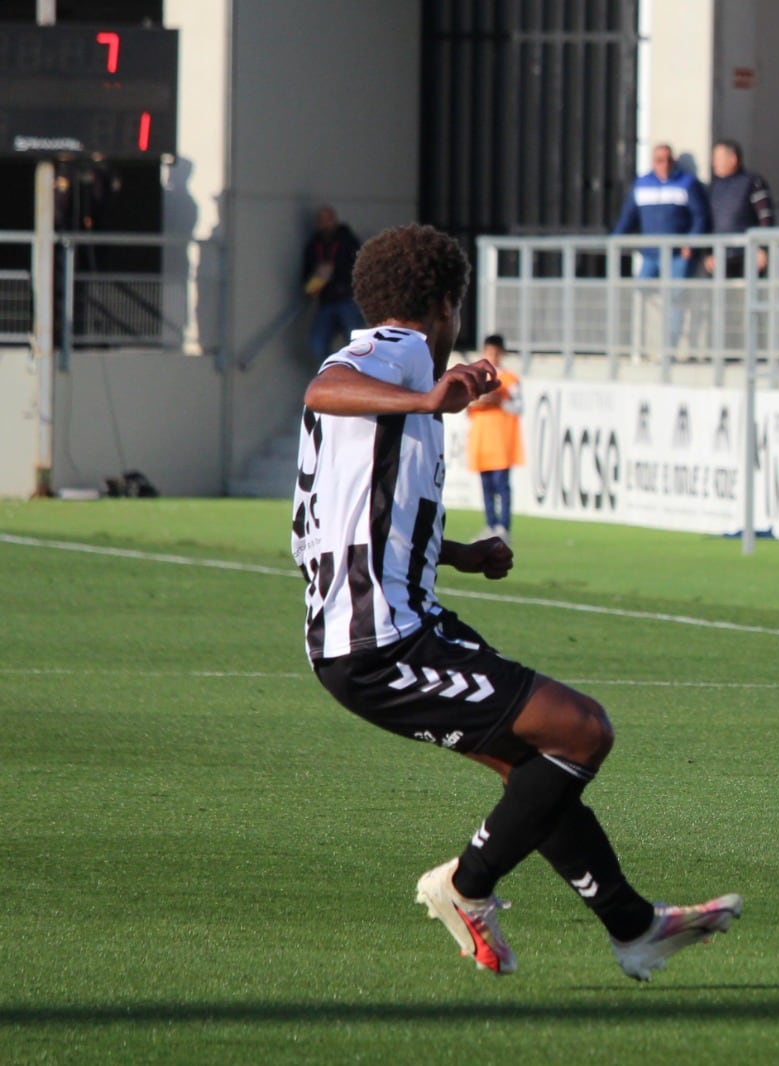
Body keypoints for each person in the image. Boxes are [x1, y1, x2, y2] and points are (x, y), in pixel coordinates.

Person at [292, 223, 739, 982]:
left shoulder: (405, 380)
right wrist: (431, 393)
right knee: (583, 730)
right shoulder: (395, 352)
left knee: (538, 765)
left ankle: (634, 928)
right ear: (446, 303)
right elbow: (321, 386)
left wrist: (459, 553)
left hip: (397, 625)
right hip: (377, 644)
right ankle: (466, 886)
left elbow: (364, 518)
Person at [613, 144, 708, 350]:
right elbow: (628, 216)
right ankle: (637, 346)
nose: (664, 165)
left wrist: (691, 242)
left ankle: (670, 348)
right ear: (653, 162)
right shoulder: (642, 184)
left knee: (676, 298)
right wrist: (616, 240)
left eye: (668, 160)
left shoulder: (686, 183)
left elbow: (700, 216)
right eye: (659, 160)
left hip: (677, 256)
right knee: (640, 292)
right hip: (651, 254)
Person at [465, 334, 523, 541]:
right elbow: (466, 407)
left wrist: (499, 401)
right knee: (486, 487)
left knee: (502, 486)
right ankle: (490, 524)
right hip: (481, 441)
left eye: (496, 353)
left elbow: (518, 406)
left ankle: (503, 527)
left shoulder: (509, 379)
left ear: (503, 354)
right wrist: (476, 402)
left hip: (501, 441)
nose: (493, 357)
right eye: (489, 353)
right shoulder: (477, 378)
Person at [702, 139, 775, 279]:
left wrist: (762, 248)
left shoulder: (753, 182)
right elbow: (708, 222)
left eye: (718, 158)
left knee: (747, 298)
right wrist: (708, 253)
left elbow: (765, 217)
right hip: (720, 256)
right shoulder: (713, 187)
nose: (714, 163)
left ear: (733, 159)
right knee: (721, 299)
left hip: (747, 255)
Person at [302, 205, 365, 363]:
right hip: (325, 300)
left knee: (358, 345)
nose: (324, 224)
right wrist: (311, 286)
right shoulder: (313, 245)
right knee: (317, 345)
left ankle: (359, 377)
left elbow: (359, 268)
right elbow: (305, 273)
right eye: (321, 220)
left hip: (347, 298)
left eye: (327, 220)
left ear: (334, 220)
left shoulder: (348, 241)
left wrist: (336, 273)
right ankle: (333, 373)